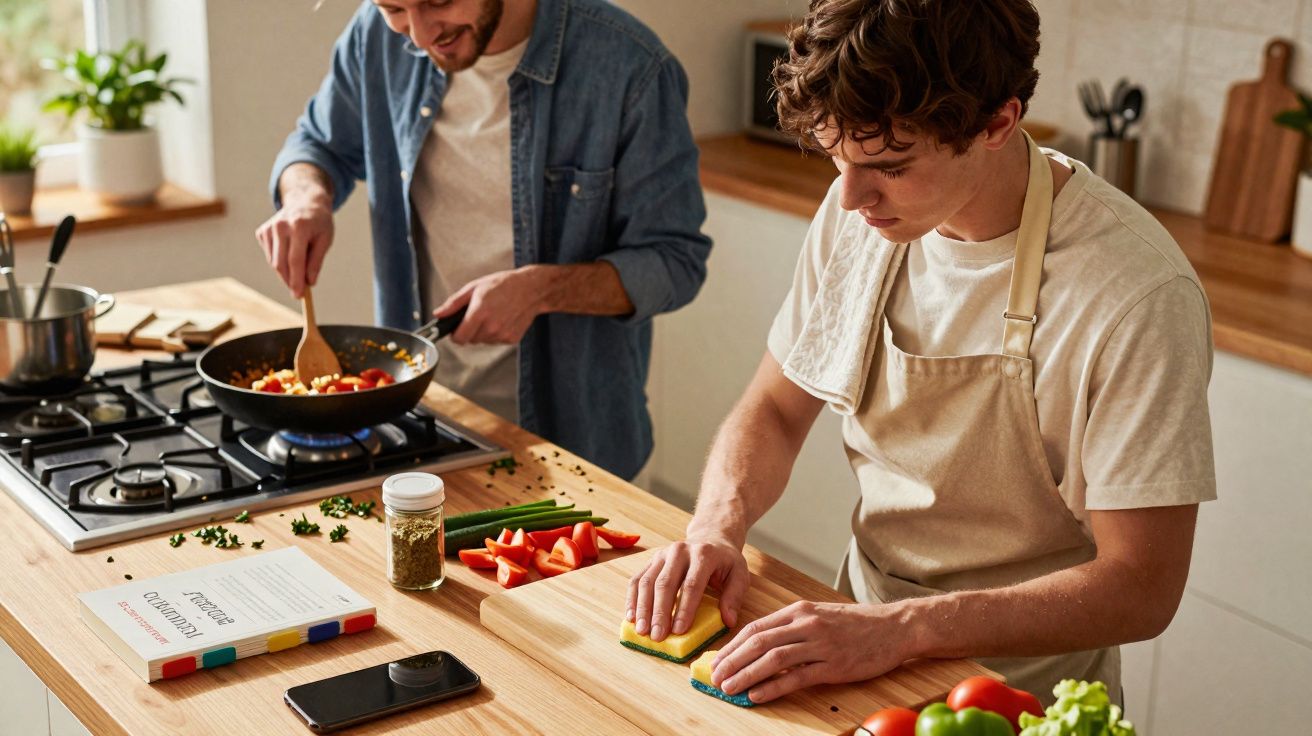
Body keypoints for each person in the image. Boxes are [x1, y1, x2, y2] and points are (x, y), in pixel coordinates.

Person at [626, 0, 1215, 706]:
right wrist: (717, 524)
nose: (849, 198)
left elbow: (1140, 588)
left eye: (891, 166)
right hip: (855, 655)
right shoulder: (863, 212)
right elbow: (779, 409)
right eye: (836, 156)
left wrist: (903, 629)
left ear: (999, 122)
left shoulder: (1134, 294)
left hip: (1021, 697)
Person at [257, 0, 711, 480]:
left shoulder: (630, 66)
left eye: (438, 1)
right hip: (418, 422)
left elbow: (674, 261)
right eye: (394, 8)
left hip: (578, 446)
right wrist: (305, 197)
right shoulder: (376, 36)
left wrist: (540, 290)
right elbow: (317, 144)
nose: (418, 34)